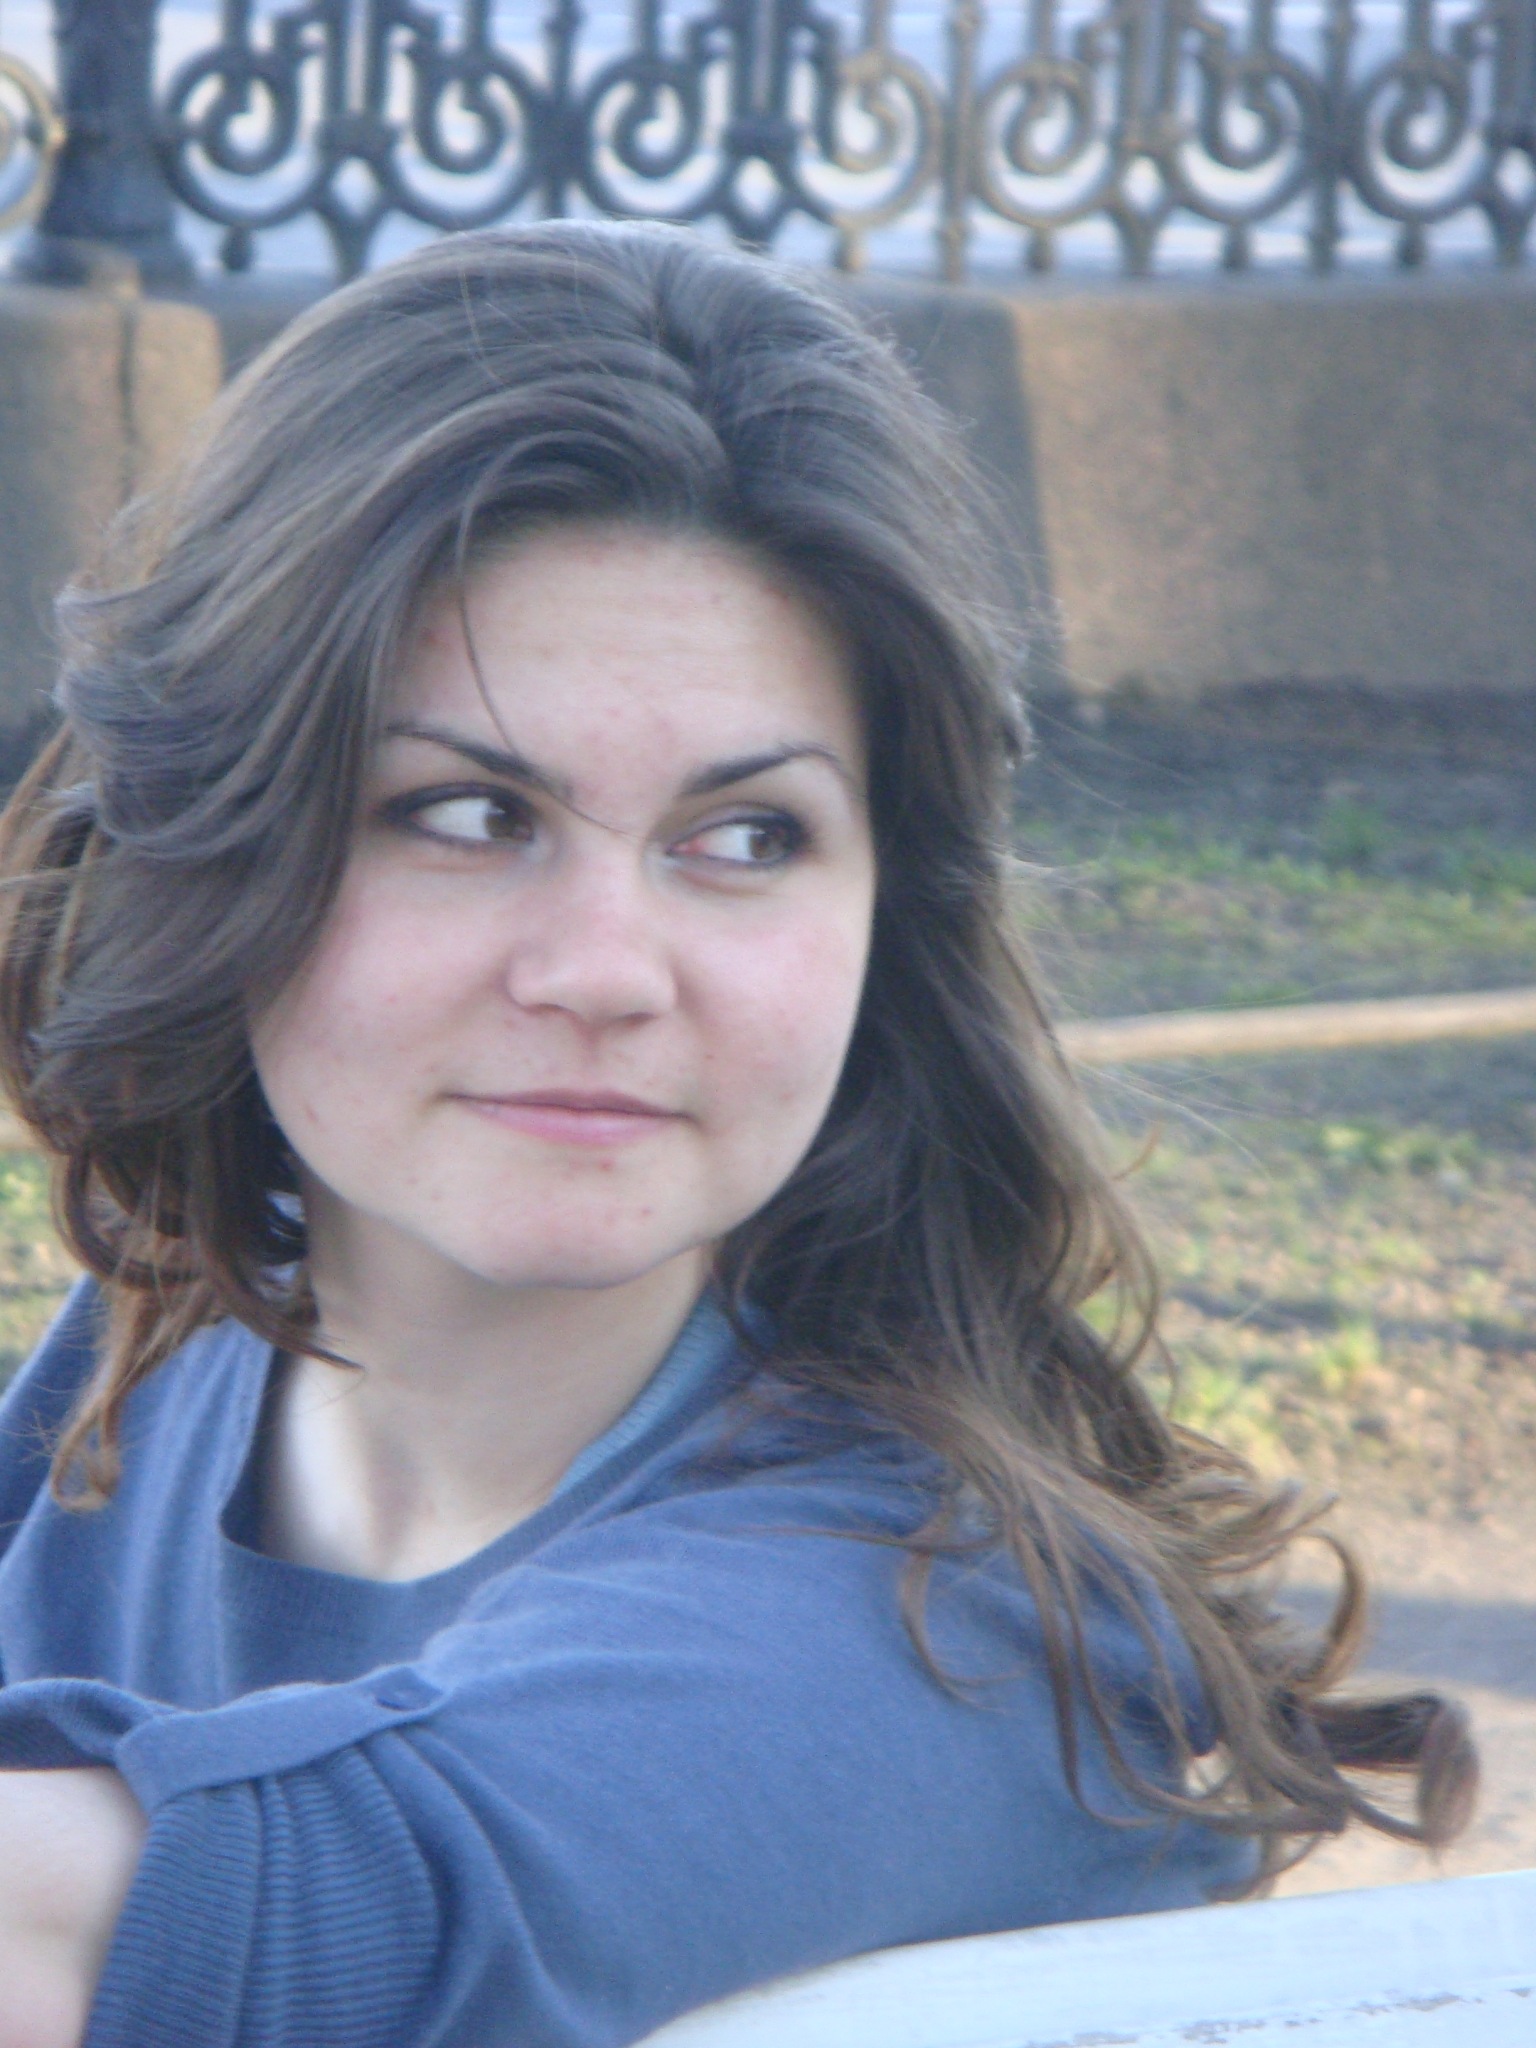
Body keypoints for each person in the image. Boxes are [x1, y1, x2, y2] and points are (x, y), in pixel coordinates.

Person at [0, 223, 1472, 2048]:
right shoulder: (155, 1362)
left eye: (748, 837)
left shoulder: (958, 1618)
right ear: (221, 841)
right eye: (466, 813)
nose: (606, 970)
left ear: (883, 922)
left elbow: (273, 1914)